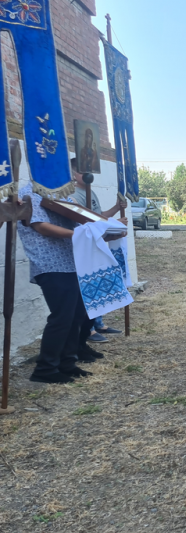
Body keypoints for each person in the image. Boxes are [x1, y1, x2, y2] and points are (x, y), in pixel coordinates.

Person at [16, 184, 103, 384]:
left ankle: (67, 362)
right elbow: (40, 226)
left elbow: (81, 218)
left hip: (70, 261)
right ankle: (45, 368)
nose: (71, 178)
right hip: (49, 263)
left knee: (77, 314)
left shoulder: (60, 193)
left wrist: (103, 228)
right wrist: (81, 235)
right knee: (62, 316)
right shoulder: (30, 191)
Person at [69, 158, 127, 342]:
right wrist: (112, 225)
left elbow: (98, 216)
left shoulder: (90, 191)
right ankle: (89, 330)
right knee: (88, 286)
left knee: (100, 281)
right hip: (85, 245)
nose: (85, 174)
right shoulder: (71, 195)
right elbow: (85, 222)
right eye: (79, 171)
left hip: (97, 242)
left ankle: (98, 322)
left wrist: (116, 209)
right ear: (72, 173)